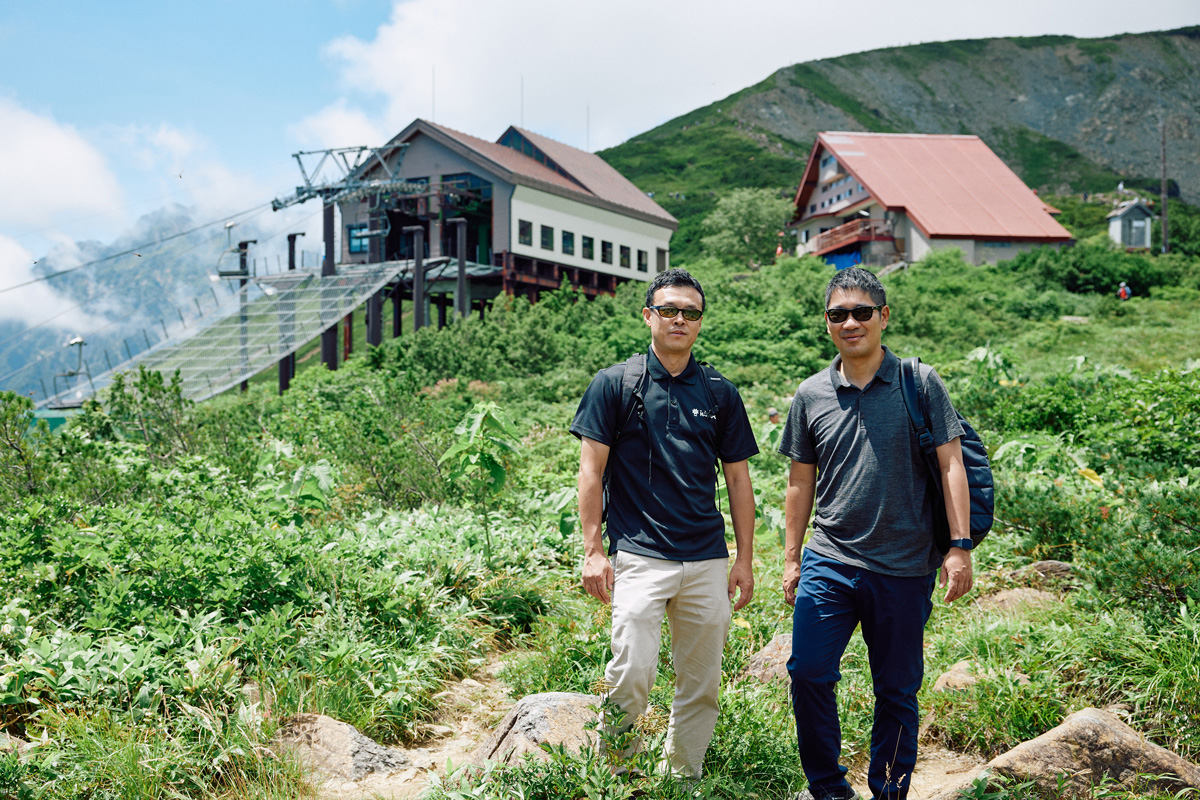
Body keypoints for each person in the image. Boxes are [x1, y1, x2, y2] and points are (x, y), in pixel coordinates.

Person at [778, 267, 973, 800]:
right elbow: (800, 482)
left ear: (883, 317)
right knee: (809, 674)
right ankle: (829, 790)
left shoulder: (919, 382)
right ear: (826, 323)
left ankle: (888, 791)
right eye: (839, 314)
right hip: (830, 559)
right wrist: (793, 558)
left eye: (862, 312)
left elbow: (952, 464)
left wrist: (959, 545)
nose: (851, 322)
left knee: (896, 691)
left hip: (906, 566)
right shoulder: (811, 393)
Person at [571, 267, 759, 779]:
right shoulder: (615, 384)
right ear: (648, 315)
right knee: (631, 670)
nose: (680, 319)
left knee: (701, 683)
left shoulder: (720, 392)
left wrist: (744, 558)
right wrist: (593, 550)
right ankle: (616, 776)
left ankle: (683, 779)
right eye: (669, 310)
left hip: (706, 559)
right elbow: (592, 470)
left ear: (700, 322)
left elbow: (739, 481)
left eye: (690, 312)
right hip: (638, 555)